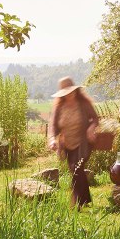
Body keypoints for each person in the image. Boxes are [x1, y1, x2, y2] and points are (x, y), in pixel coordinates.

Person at [47, 76, 99, 208]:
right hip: (68, 144)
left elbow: (95, 118)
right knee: (76, 170)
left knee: (76, 168)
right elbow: (53, 126)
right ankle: (85, 200)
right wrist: (52, 139)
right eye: (66, 93)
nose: (69, 94)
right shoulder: (59, 108)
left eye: (71, 91)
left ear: (76, 91)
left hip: (84, 142)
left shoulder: (83, 104)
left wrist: (91, 128)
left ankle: (76, 203)